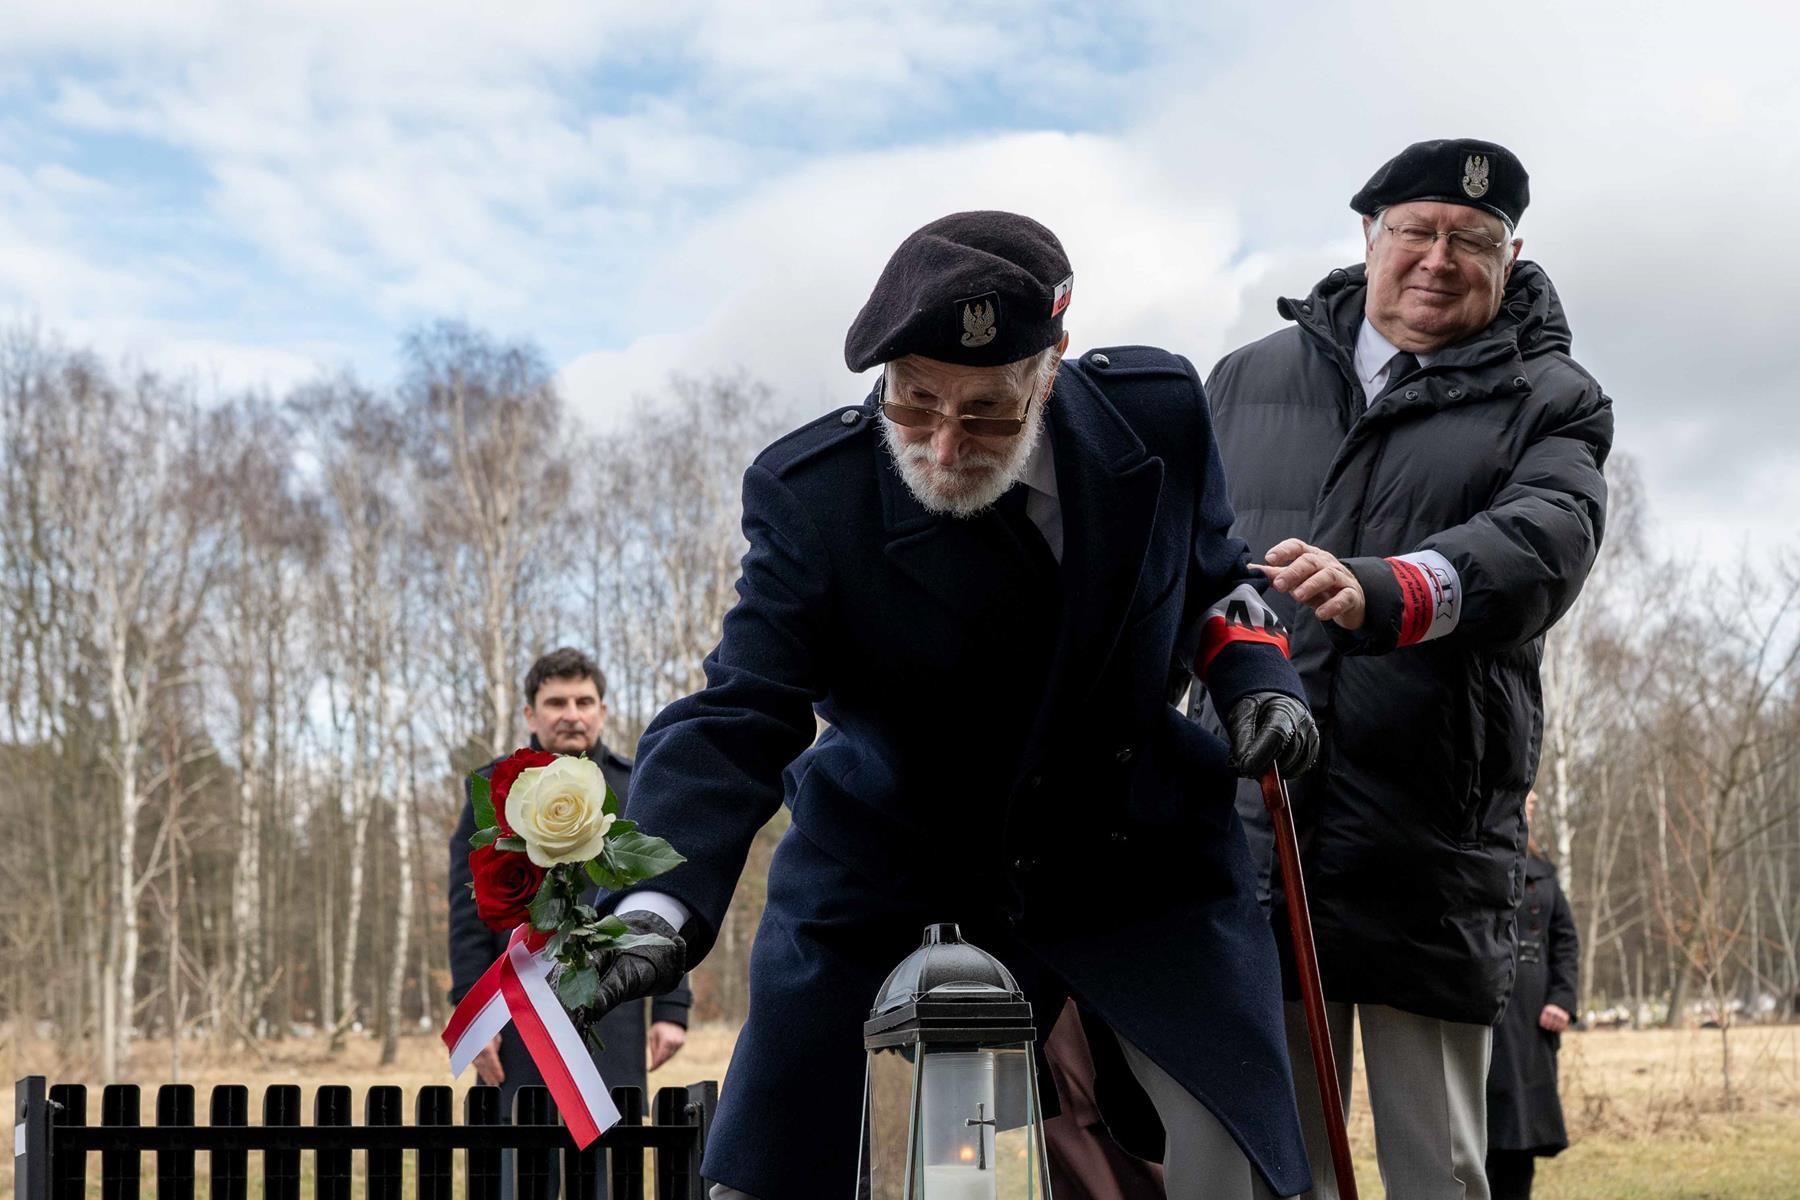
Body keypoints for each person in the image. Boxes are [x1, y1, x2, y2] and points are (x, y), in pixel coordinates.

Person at [573, 211, 1322, 1199]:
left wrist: (1259, 681)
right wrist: (654, 900)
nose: (943, 440)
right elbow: (740, 710)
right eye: (914, 400)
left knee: (1232, 1155)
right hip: (895, 860)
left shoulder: (1160, 414)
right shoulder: (816, 496)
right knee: (766, 1173)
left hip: (1133, 853)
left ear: (1051, 363)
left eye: (988, 412)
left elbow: (1214, 577)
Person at [1203, 139, 1612, 1199]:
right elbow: (1179, 569)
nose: (1440, 258)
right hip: (1261, 831)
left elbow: (1547, 542)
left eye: (1472, 240)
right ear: (1369, 240)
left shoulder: (1554, 398)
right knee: (1276, 1163)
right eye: (1417, 232)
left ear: (1510, 258)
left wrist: (1392, 587)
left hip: (1428, 840)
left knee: (1442, 1168)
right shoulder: (1244, 380)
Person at [447, 648, 691, 1118]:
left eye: (584, 702)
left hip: (614, 1007)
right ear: (530, 713)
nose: (572, 715)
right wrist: (471, 1012)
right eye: (557, 703)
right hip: (515, 1012)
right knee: (516, 1172)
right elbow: (467, 912)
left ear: (602, 710)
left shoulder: (638, 786)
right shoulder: (492, 789)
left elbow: (667, 895)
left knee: (605, 1173)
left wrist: (671, 1007)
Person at [1486, 790, 1577, 1200]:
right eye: (1524, 802)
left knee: (1521, 1131)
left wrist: (1562, 998)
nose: (1530, 809)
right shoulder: (1482, 857)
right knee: (1485, 1125)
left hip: (1533, 1017)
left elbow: (1565, 942)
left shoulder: (1544, 871)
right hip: (1489, 1010)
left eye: (1533, 806)